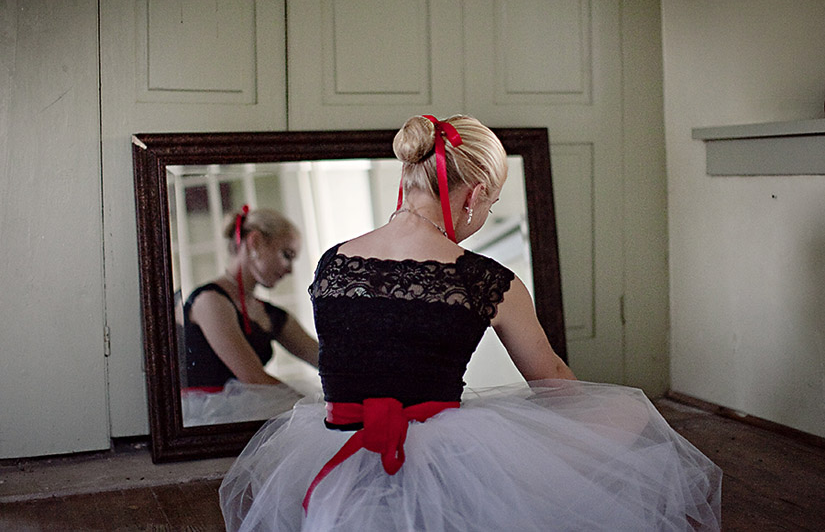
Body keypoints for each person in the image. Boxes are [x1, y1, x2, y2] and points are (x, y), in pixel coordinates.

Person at [220, 116, 722, 531]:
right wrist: (576, 439)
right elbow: (551, 379)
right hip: (441, 457)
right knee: (627, 411)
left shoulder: (332, 262)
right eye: (491, 204)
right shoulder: (485, 279)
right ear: (475, 194)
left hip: (335, 445)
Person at [179, 207, 319, 425]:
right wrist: (315, 409)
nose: (290, 270)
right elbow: (253, 378)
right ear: (255, 242)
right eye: (287, 255)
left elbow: (325, 360)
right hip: (208, 422)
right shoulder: (210, 300)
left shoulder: (272, 314)